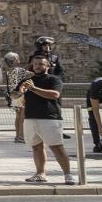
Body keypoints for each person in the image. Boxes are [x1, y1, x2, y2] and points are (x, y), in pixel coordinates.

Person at [17, 53, 71, 184]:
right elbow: (16, 96)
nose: (37, 66)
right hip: (30, 118)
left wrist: (34, 88)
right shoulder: (26, 81)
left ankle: (68, 175)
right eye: (35, 64)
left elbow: (55, 94)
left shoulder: (54, 79)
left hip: (50, 118)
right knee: (36, 147)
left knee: (57, 147)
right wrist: (18, 92)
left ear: (47, 66)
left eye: (41, 64)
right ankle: (40, 173)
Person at [2, 51, 29, 143]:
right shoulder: (19, 70)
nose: (19, 59)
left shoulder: (8, 71)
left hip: (13, 95)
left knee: (18, 116)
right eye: (17, 58)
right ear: (14, 60)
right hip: (20, 94)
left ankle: (17, 136)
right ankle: (21, 136)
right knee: (22, 116)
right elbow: (32, 74)